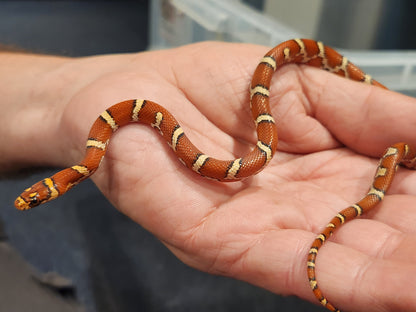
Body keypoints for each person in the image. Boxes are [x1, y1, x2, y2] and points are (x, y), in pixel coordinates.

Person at [1, 41, 416, 312]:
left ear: (57, 186)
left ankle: (398, 156)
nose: (30, 200)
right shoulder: (89, 160)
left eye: (35, 197)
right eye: (36, 198)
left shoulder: (90, 158)